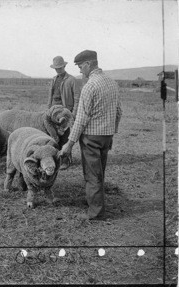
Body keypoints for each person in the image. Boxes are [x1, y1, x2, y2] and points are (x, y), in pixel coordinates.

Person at [59, 50, 122, 220]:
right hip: (106, 136)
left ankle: (95, 213)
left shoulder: (90, 86)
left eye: (80, 66)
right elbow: (118, 111)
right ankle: (95, 203)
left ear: (88, 64)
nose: (80, 70)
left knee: (92, 175)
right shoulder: (112, 83)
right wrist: (111, 131)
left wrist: (69, 144)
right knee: (100, 172)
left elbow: (81, 119)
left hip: (91, 138)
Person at [48, 55, 80, 168]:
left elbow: (77, 98)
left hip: (65, 111)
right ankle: (56, 158)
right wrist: (48, 110)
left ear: (64, 66)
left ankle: (65, 160)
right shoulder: (53, 79)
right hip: (53, 111)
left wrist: (73, 114)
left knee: (65, 136)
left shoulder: (72, 80)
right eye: (56, 68)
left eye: (60, 67)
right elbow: (50, 96)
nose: (58, 69)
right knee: (53, 135)